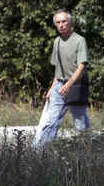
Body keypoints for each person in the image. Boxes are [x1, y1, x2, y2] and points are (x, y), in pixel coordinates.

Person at [34, 9, 90, 147]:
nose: (61, 25)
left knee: (80, 123)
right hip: (59, 85)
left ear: (70, 22)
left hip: (75, 85)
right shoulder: (57, 41)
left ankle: (88, 151)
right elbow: (57, 69)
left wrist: (68, 85)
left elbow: (81, 67)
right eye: (58, 22)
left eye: (64, 21)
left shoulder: (79, 40)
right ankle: (41, 154)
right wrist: (52, 88)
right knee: (50, 122)